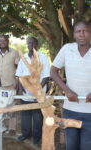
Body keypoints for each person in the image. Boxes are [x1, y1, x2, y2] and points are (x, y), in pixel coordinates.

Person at [50, 21, 91, 150]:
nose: (82, 34)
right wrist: (67, 91)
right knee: (71, 146)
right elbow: (53, 71)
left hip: (90, 112)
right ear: (74, 34)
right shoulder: (67, 49)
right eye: (78, 31)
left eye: (85, 31)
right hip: (70, 109)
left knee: (87, 146)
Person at [16, 37, 50, 146]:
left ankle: (36, 138)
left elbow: (46, 76)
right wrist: (21, 89)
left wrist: (37, 90)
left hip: (38, 94)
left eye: (33, 42)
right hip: (26, 94)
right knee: (25, 115)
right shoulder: (23, 58)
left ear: (37, 44)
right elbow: (19, 75)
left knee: (37, 118)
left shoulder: (43, 57)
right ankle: (26, 134)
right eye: (29, 42)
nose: (31, 44)